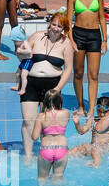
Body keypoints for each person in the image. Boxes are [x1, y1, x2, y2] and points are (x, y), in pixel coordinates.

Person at [16, 14, 74, 161]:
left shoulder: (66, 44)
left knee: (47, 121)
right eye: (53, 24)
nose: (55, 28)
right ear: (49, 24)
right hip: (31, 83)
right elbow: (22, 56)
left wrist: (58, 88)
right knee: (28, 120)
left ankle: (44, 153)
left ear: (64, 29)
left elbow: (68, 69)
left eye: (59, 26)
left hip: (52, 85)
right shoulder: (36, 36)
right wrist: (21, 53)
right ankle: (28, 156)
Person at [65, 0, 107, 122]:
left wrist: (105, 40)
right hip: (78, 34)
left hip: (94, 35)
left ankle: (91, 109)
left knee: (93, 74)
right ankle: (81, 105)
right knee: (78, 73)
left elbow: (102, 17)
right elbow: (68, 21)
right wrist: (71, 39)